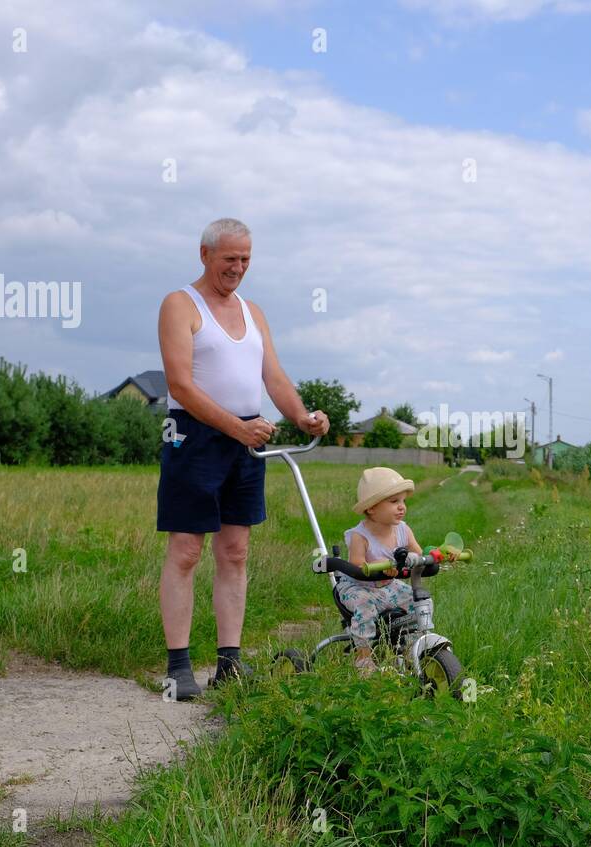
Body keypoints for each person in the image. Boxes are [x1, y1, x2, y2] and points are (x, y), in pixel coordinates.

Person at [157, 217, 330, 700]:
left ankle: (229, 663)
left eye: (246, 259)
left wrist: (302, 416)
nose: (238, 268)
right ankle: (178, 668)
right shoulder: (179, 305)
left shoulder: (253, 311)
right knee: (187, 551)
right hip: (193, 438)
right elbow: (180, 385)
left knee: (235, 551)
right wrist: (236, 428)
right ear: (205, 254)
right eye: (230, 258)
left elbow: (271, 374)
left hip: (248, 438)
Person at [337, 467, 425, 676]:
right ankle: (364, 658)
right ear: (372, 508)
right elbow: (357, 564)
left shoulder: (403, 529)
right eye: (394, 502)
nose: (401, 507)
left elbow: (417, 552)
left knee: (415, 601)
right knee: (365, 607)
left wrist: (417, 560)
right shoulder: (360, 536)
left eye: (403, 501)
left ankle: (407, 648)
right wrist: (384, 566)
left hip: (388, 586)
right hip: (359, 587)